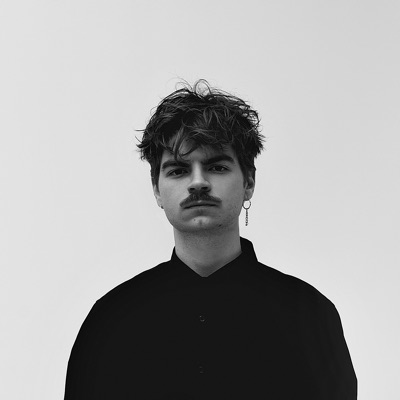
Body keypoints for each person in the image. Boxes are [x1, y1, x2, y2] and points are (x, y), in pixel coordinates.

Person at [64, 80, 357, 399]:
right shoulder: (111, 319)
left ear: (249, 182)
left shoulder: (309, 316)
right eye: (178, 170)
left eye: (216, 166)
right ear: (157, 190)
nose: (198, 182)